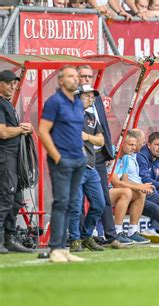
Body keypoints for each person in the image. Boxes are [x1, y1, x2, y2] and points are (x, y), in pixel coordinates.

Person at [38, 66, 87, 263]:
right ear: (60, 80)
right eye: (70, 76)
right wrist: (57, 157)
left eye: (76, 77)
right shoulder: (54, 102)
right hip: (62, 160)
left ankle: (64, 248)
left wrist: (82, 153)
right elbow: (42, 131)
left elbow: (76, 131)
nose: (75, 80)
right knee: (61, 203)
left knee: (73, 204)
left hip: (78, 160)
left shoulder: (77, 103)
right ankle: (56, 248)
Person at [77, 65, 126, 249]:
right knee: (78, 200)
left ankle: (111, 236)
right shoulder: (71, 101)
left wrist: (108, 151)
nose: (86, 79)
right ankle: (82, 237)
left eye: (89, 76)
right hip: (79, 158)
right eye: (83, 76)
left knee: (102, 197)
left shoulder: (95, 99)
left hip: (97, 155)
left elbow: (102, 126)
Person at [68, 85, 107, 253]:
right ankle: (75, 240)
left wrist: (87, 137)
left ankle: (86, 236)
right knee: (76, 205)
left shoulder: (91, 117)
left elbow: (101, 141)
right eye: (87, 96)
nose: (91, 99)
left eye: (93, 96)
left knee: (99, 203)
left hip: (90, 167)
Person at [0, 70, 34, 254]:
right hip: (5, 159)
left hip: (14, 159)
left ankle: (10, 239)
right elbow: (3, 132)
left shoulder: (9, 105)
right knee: (5, 199)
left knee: (15, 200)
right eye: (8, 83)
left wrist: (25, 129)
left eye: (14, 83)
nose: (12, 86)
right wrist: (21, 129)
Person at [109, 131, 152, 244]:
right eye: (130, 145)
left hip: (115, 191)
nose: (134, 148)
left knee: (140, 193)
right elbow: (116, 183)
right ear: (122, 143)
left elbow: (125, 181)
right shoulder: (112, 153)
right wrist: (140, 186)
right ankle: (116, 232)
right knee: (127, 192)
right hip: (104, 191)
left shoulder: (126, 158)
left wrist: (140, 188)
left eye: (135, 145)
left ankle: (132, 232)